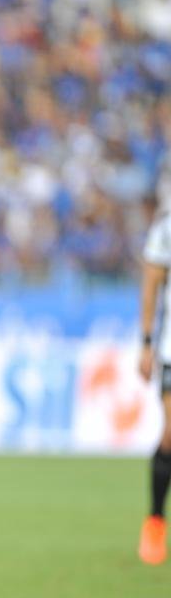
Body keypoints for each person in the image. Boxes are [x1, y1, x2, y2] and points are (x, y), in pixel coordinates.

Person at [137, 206, 171, 565]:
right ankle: (156, 520)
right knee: (170, 435)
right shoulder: (167, 226)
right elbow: (152, 282)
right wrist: (146, 341)